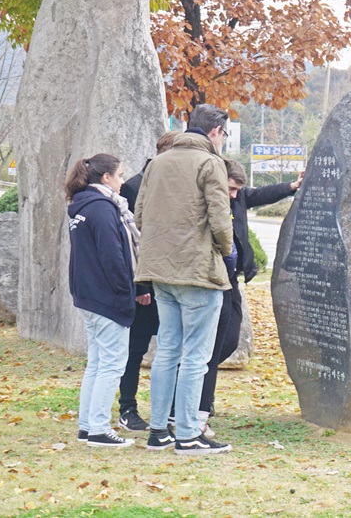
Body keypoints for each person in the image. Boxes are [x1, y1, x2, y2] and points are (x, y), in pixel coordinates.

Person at [135, 104, 234, 455]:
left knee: (167, 352)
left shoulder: (158, 162)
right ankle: (189, 434)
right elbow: (221, 219)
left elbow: (140, 215)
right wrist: (225, 251)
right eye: (225, 134)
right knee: (196, 356)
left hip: (161, 271)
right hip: (198, 272)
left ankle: (158, 429)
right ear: (216, 131)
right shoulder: (211, 163)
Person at [196, 160, 303, 436]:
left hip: (231, 280)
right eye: (231, 188)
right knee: (207, 344)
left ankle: (198, 391)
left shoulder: (240, 196)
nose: (234, 194)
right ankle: (199, 402)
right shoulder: (206, 198)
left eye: (238, 190)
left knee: (228, 342)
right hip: (209, 279)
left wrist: (292, 186)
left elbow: (262, 194)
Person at [65, 154, 136, 448]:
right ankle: (97, 428)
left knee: (97, 363)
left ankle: (88, 425)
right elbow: (112, 256)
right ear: (105, 178)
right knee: (111, 365)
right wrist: (124, 293)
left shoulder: (82, 207)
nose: (122, 181)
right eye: (119, 175)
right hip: (106, 296)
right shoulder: (103, 209)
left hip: (88, 294)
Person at [115, 131, 178, 432]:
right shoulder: (134, 187)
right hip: (146, 285)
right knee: (136, 349)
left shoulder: (172, 184)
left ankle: (171, 409)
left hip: (172, 282)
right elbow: (132, 241)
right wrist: (141, 286)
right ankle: (127, 407)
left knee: (173, 347)